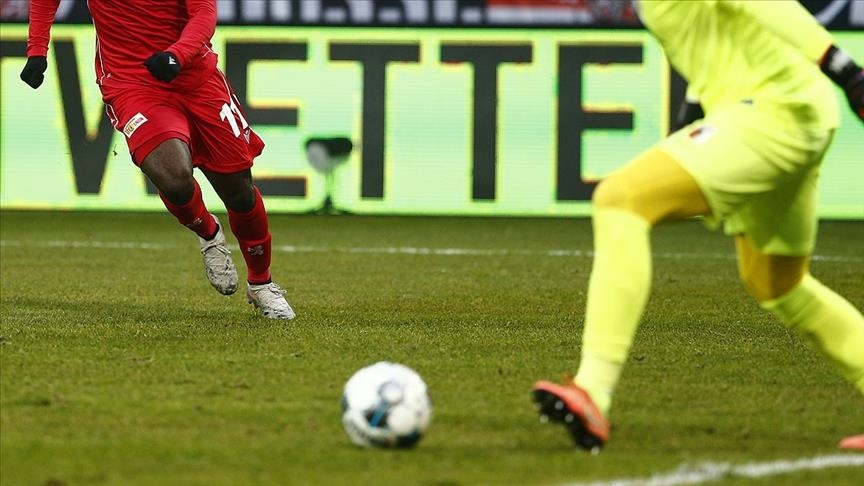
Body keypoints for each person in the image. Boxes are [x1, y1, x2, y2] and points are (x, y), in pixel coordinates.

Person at [532, 0, 864, 453]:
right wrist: (690, 112)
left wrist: (844, 68)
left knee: (620, 198)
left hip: (771, 113)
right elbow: (709, 37)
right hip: (797, 112)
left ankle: (593, 390)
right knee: (777, 282)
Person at [20, 0, 295, 320]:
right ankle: (209, 232)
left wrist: (177, 54)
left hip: (196, 78)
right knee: (173, 177)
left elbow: (204, 12)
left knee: (239, 191)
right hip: (133, 84)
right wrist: (37, 50)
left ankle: (261, 283)